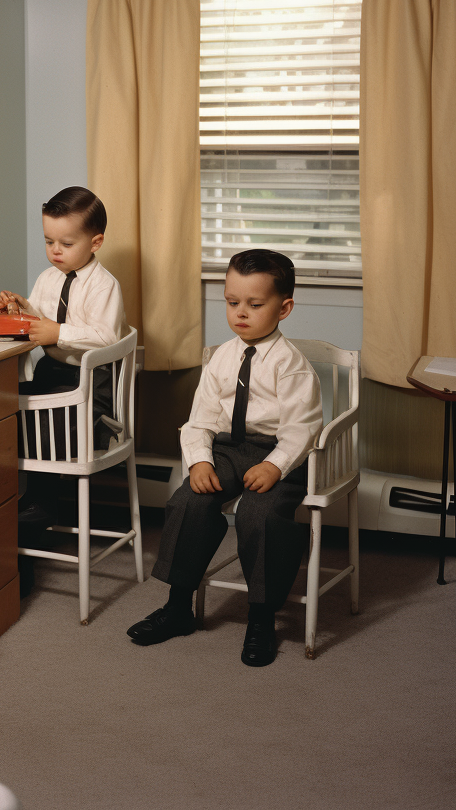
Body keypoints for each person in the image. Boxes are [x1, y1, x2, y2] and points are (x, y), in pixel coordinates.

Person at [126, 249, 322, 667]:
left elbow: (301, 430)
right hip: (228, 449)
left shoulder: (293, 367)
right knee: (189, 501)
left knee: (261, 515)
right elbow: (200, 420)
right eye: (232, 303)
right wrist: (199, 461)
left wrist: (274, 465)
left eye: (255, 304)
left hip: (276, 454)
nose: (241, 313)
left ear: (284, 308)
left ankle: (261, 616)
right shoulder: (220, 358)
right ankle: (178, 606)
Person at [0, 187, 127, 593]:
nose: (55, 250)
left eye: (66, 243)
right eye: (49, 241)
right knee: (3, 423)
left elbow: (106, 336)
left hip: (91, 391)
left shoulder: (104, 286)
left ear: (95, 242)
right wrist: (20, 309)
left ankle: (33, 516)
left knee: (35, 430)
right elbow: (40, 318)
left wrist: (58, 332)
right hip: (51, 379)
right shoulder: (48, 279)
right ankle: (19, 515)